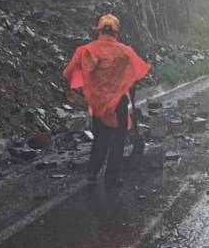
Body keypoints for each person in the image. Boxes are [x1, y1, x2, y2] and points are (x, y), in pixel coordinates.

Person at [63, 14, 151, 188]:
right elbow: (139, 70)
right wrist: (128, 82)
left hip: (97, 105)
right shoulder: (125, 51)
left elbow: (68, 73)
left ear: (100, 30)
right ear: (116, 32)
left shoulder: (86, 51)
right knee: (118, 140)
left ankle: (92, 173)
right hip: (117, 103)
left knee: (100, 139)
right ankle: (111, 178)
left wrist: (78, 89)